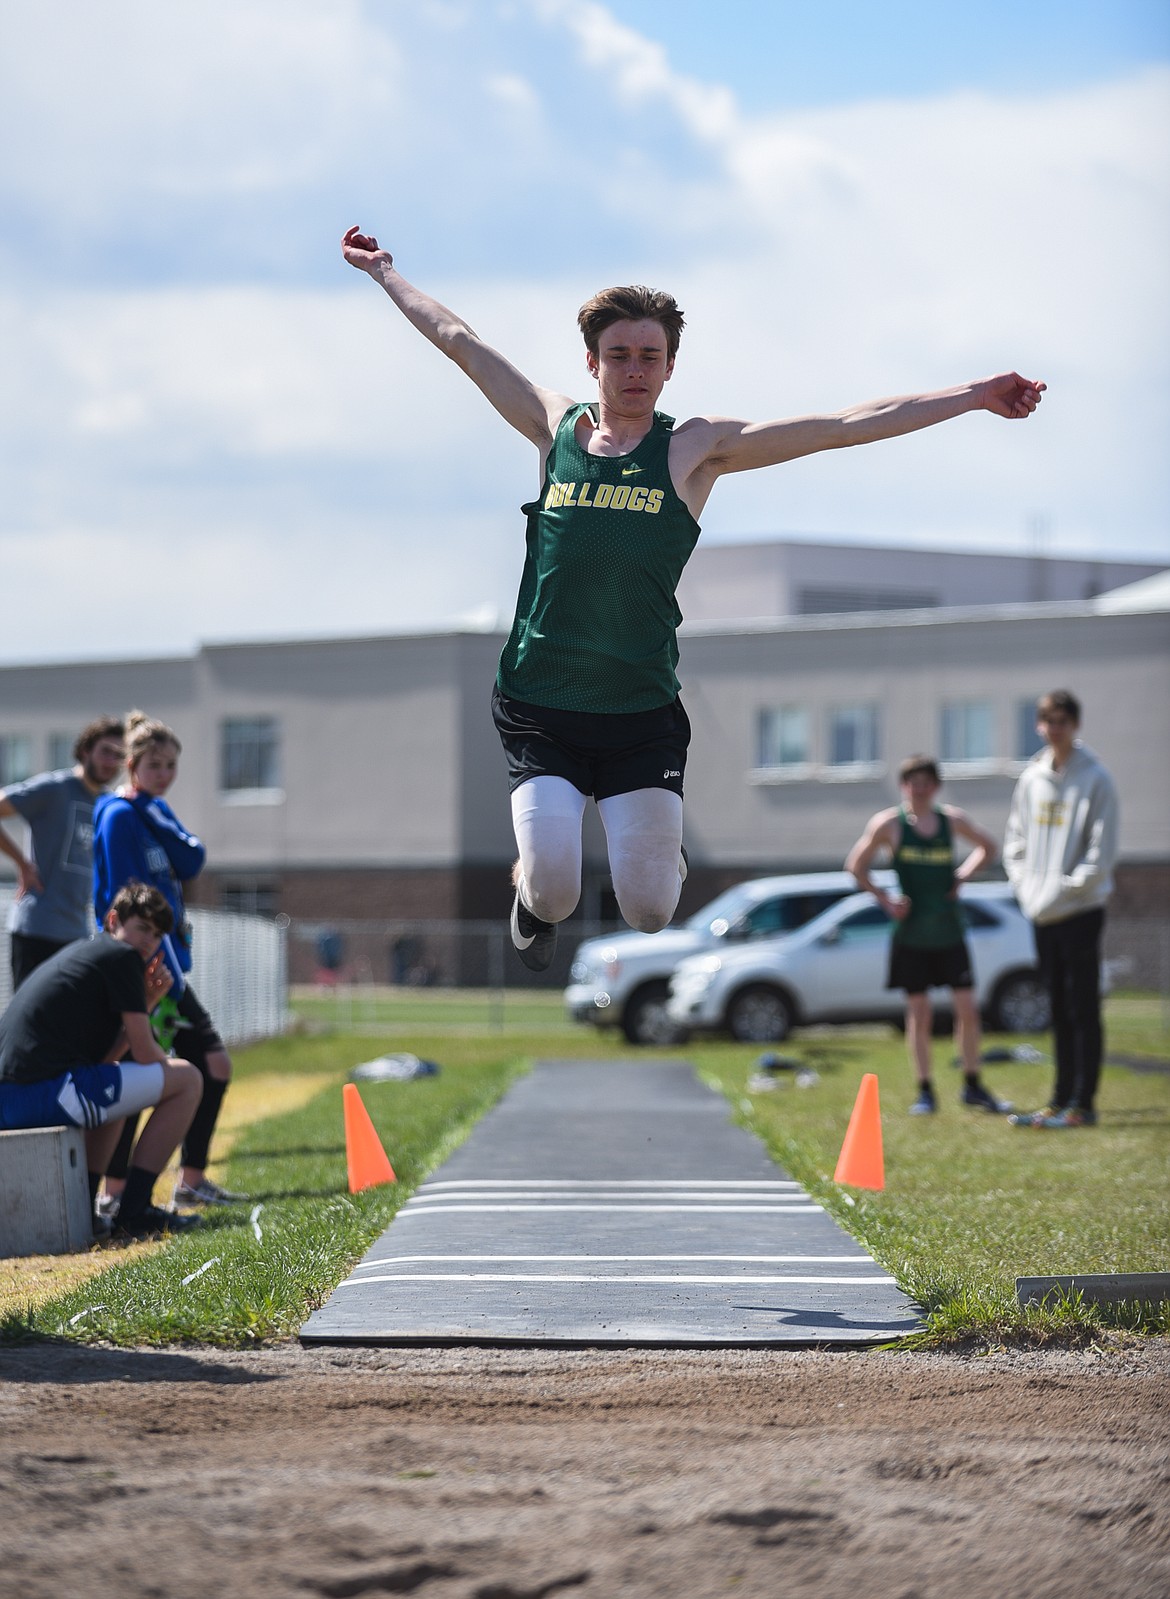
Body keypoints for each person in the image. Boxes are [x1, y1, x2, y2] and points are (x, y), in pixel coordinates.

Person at [341, 224, 1046, 973]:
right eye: (619, 356)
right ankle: (529, 895)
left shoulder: (694, 449)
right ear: (594, 362)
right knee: (551, 892)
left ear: (670, 366)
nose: (633, 370)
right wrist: (387, 274)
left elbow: (841, 426)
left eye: (650, 357)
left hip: (639, 712)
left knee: (648, 910)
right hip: (541, 702)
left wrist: (971, 395)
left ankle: (658, 852)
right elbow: (460, 339)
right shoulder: (557, 429)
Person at [92, 710, 244, 1206]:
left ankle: (191, 1183)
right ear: (133, 764)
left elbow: (193, 860)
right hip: (145, 967)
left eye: (172, 764)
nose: (165, 774)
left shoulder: (155, 812)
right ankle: (115, 1194)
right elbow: (124, 900)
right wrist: (146, 964)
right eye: (155, 764)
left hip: (170, 965)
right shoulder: (119, 816)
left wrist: (158, 815)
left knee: (214, 1065)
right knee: (141, 1074)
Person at [0, 880, 203, 1241]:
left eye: (157, 935)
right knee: (188, 1079)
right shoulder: (121, 956)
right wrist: (164, 1057)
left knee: (113, 1082)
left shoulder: (94, 953)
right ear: (113, 920)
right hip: (39, 1093)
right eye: (142, 927)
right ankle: (136, 1211)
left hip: (17, 1097)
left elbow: (111, 1060)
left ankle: (88, 1210)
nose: (148, 941)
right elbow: (145, 1054)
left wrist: (148, 1003)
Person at [846, 755, 1009, 1116]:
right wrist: (887, 901)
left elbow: (989, 847)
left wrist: (962, 876)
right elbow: (855, 867)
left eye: (925, 782)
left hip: (949, 929)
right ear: (904, 786)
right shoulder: (889, 824)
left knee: (967, 1009)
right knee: (918, 1012)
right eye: (912, 782)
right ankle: (925, 1090)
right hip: (911, 933)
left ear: (935, 786)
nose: (919, 789)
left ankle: (972, 1084)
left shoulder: (951, 820)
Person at [1003, 690, 1118, 1128]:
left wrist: (1069, 887)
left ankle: (1083, 1104)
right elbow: (1015, 841)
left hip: (1080, 911)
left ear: (1075, 725)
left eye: (1063, 721)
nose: (1055, 729)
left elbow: (1101, 850)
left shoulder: (1096, 779)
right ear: (1039, 725)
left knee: (1082, 1007)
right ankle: (1058, 1098)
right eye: (1048, 721)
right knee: (1056, 1007)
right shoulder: (1030, 779)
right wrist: (1027, 886)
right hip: (1041, 912)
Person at [0, 717, 125, 988]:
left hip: (77, 934)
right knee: (30, 1024)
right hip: (37, 928)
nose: (111, 761)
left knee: (69, 1025)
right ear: (84, 750)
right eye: (105, 751)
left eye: (118, 755)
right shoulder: (55, 788)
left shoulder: (109, 804)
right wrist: (22, 863)